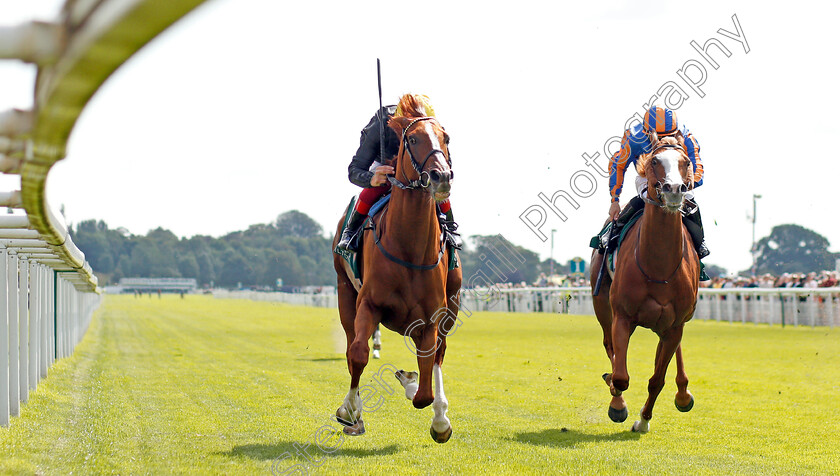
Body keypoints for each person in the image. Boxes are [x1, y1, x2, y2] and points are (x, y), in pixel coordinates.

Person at [337, 93, 456, 251]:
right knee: (372, 191)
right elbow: (354, 170)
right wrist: (371, 178)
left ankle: (451, 229)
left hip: (420, 167)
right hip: (385, 165)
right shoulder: (381, 123)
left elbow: (446, 162)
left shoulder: (433, 128)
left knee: (439, 188)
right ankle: (350, 232)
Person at [607, 105, 710, 262]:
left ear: (676, 132)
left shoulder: (686, 137)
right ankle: (611, 238)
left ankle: (699, 243)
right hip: (647, 176)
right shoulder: (633, 137)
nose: (662, 141)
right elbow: (618, 165)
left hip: (678, 178)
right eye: (658, 136)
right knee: (641, 198)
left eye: (668, 136)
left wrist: (684, 184)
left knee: (690, 200)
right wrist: (615, 200)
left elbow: (698, 171)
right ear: (647, 132)